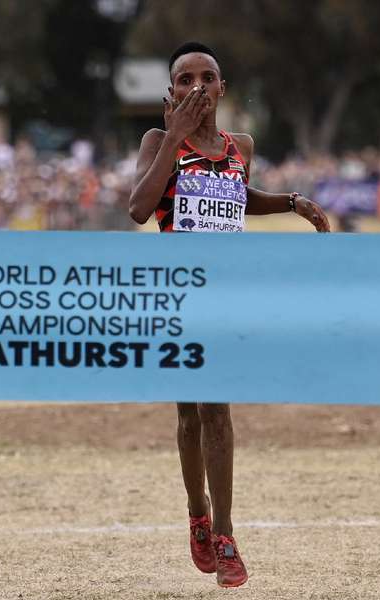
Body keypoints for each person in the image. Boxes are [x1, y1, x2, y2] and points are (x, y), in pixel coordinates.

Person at [128, 42, 330, 588]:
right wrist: (172, 139)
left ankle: (225, 534)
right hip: (175, 295)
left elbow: (236, 197)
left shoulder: (241, 145)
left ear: (222, 87)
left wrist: (290, 201)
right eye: (185, 78)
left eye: (207, 77)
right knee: (189, 415)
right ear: (171, 91)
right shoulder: (158, 140)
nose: (197, 85)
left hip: (224, 296)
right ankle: (197, 511)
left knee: (217, 410)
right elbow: (140, 208)